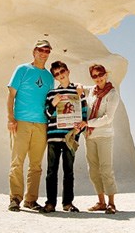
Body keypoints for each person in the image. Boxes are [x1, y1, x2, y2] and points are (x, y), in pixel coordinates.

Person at [7, 39, 54, 212]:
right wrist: (10, 118)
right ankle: (15, 198)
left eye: (47, 51)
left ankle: (30, 200)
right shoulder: (22, 69)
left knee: (36, 165)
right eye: (41, 50)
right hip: (21, 121)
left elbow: (50, 102)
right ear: (34, 51)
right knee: (17, 161)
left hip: (41, 124)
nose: (44, 53)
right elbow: (11, 95)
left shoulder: (49, 77)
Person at [41, 61, 88, 213]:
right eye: (57, 74)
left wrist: (79, 129)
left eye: (62, 71)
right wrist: (53, 104)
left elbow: (84, 113)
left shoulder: (78, 91)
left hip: (70, 137)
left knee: (69, 171)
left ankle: (67, 203)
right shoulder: (51, 94)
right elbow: (47, 114)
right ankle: (50, 203)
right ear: (55, 77)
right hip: (54, 137)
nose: (60, 75)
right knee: (51, 172)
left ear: (68, 71)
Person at [76, 64, 120, 214]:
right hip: (90, 136)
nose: (98, 78)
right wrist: (79, 86)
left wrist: (87, 123)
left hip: (104, 135)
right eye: (94, 76)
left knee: (106, 169)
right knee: (93, 170)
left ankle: (111, 203)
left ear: (106, 74)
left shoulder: (112, 94)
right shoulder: (92, 91)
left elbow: (108, 118)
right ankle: (101, 201)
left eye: (100, 74)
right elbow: (79, 87)